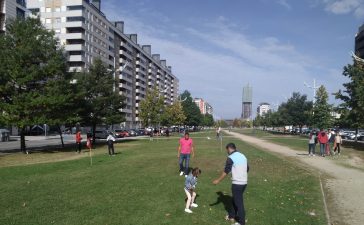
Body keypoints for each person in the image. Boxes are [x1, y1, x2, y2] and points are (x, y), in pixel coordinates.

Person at [213, 143, 249, 225]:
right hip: (244, 183)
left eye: (227, 150)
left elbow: (226, 171)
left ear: (229, 149)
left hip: (237, 184)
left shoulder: (230, 157)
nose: (227, 152)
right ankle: (231, 216)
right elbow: (247, 168)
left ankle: (242, 222)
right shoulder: (242, 155)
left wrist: (218, 180)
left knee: (239, 203)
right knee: (235, 200)